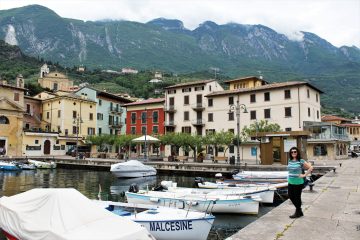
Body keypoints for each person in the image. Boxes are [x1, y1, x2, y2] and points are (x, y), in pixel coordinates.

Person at [287, 146, 313, 218]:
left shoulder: (300, 161)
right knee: (290, 196)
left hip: (298, 182)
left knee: (297, 197)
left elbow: (310, 167)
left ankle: (298, 212)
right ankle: (299, 210)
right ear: (290, 153)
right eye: (292, 152)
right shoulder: (289, 160)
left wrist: (304, 175)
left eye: (295, 151)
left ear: (297, 152)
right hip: (290, 181)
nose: (293, 153)